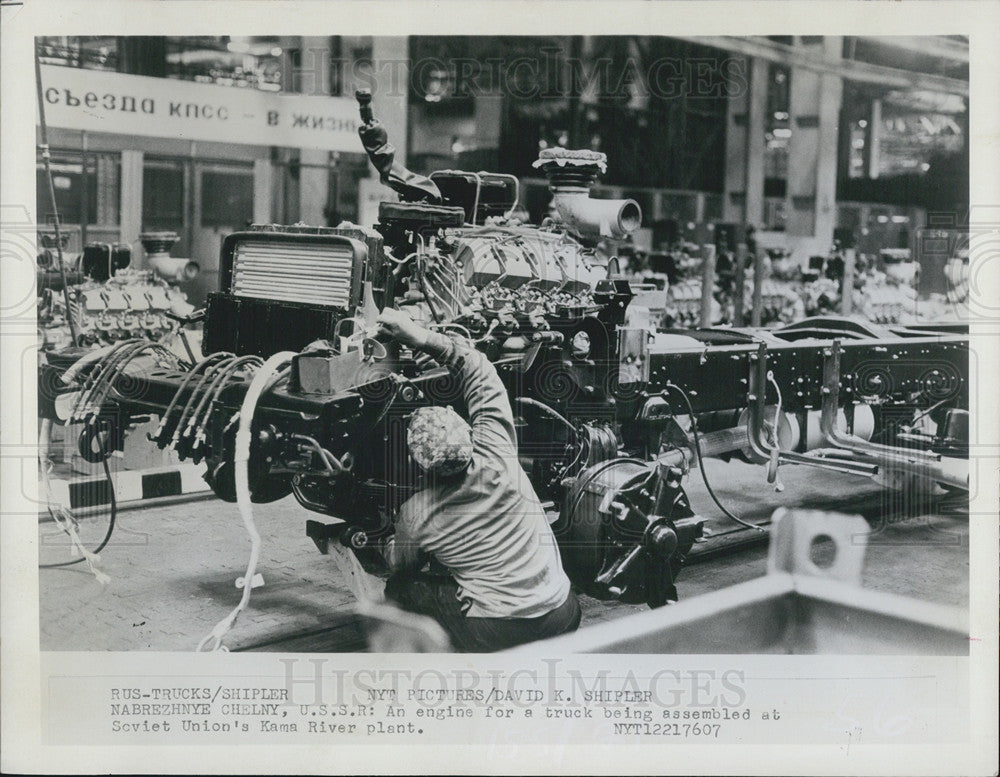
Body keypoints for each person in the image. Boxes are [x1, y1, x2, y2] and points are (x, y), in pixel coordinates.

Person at [374, 308, 581, 652]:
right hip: (563, 613)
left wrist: (382, 541)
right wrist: (421, 337)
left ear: (419, 465)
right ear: (469, 434)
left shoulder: (417, 513)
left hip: (499, 633)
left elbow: (399, 564)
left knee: (402, 590)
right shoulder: (499, 450)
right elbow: (480, 370)